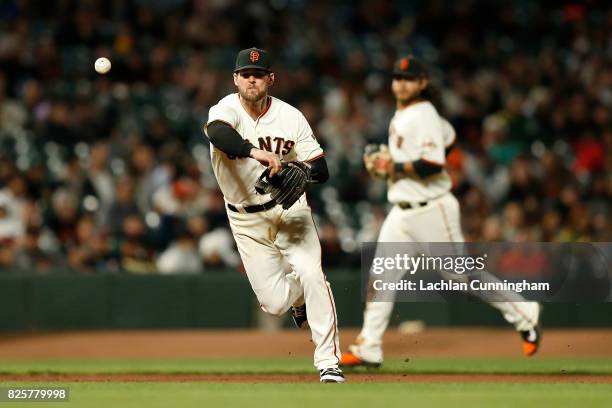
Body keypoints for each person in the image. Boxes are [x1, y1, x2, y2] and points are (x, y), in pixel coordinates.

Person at [340, 55, 542, 368]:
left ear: (421, 83)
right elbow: (448, 138)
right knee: (380, 275)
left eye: (408, 78)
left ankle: (524, 312)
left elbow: (434, 163)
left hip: (432, 210)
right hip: (402, 210)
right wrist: (394, 168)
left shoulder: (423, 114)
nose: (401, 83)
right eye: (397, 78)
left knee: (461, 277)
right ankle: (369, 345)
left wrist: (392, 165)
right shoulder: (408, 115)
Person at [203, 47, 344, 383]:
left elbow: (321, 168)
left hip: (289, 208)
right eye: (246, 75)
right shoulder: (225, 109)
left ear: (271, 79)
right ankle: (299, 299)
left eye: (259, 74)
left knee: (313, 273)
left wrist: (299, 171)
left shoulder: (291, 116)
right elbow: (218, 134)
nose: (252, 80)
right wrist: (257, 152)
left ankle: (328, 363)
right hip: (245, 218)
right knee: (275, 303)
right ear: (236, 79)